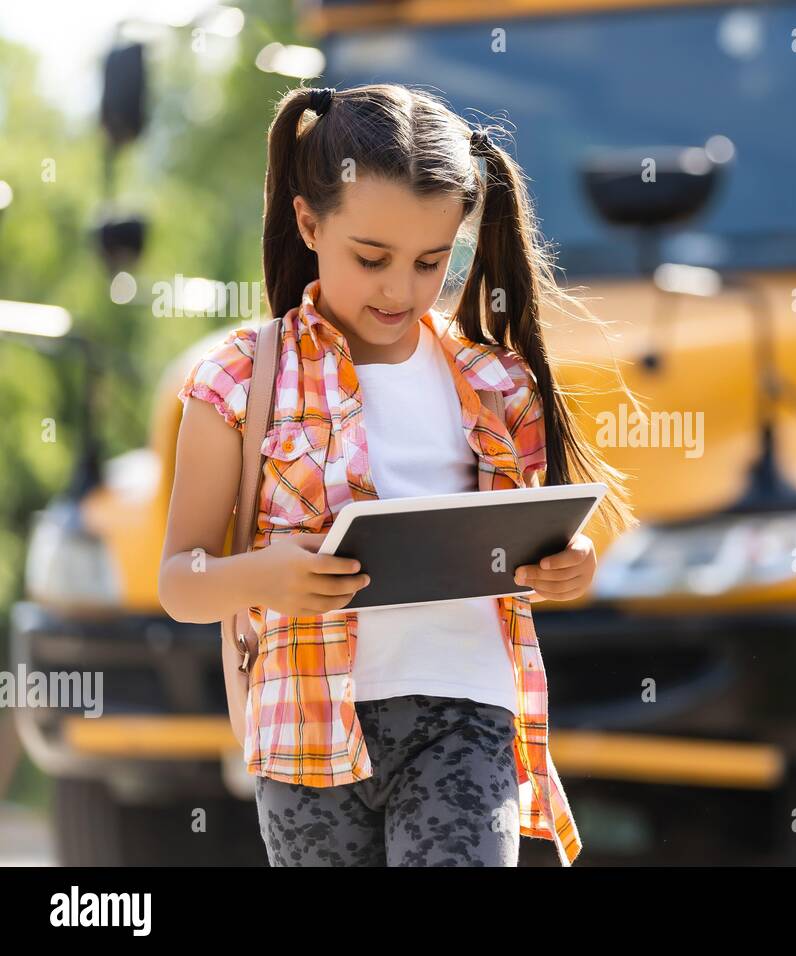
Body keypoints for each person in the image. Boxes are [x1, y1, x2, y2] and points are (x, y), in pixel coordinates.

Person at [158, 83, 636, 866]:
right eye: (371, 258)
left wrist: (565, 570)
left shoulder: (497, 384)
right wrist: (263, 578)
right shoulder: (239, 379)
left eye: (429, 262)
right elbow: (180, 581)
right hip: (306, 730)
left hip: (466, 712)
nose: (399, 290)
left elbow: (525, 548)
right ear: (309, 223)